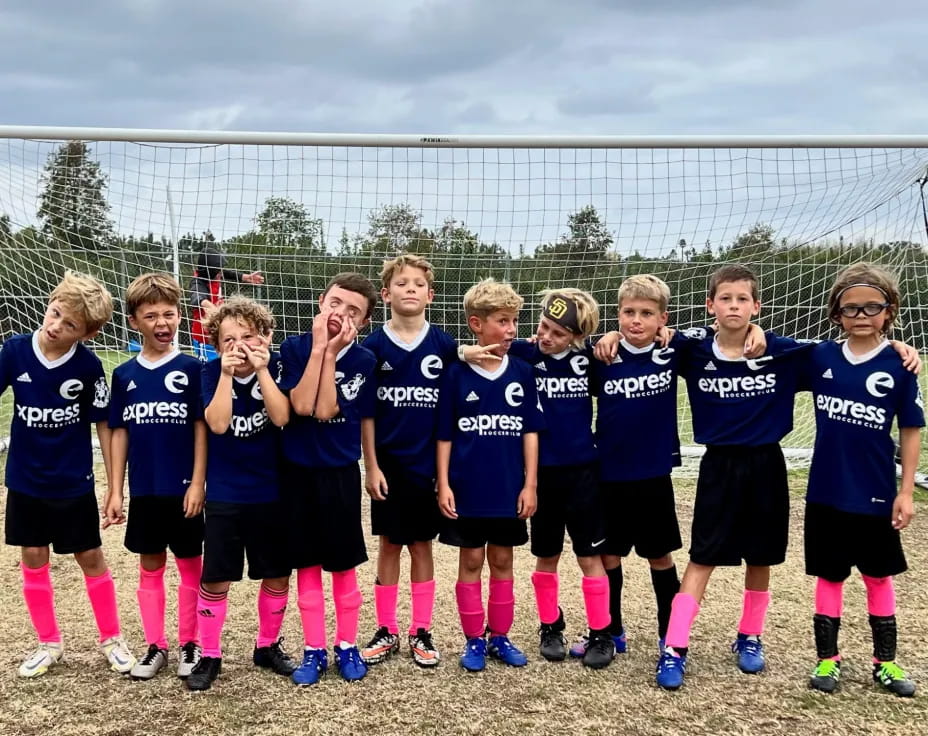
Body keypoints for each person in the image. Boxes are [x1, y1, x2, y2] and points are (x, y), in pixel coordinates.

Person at [589, 276, 766, 665]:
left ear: (662, 318)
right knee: (610, 557)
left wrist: (754, 326)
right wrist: (605, 336)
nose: (636, 320)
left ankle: (668, 632)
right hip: (609, 472)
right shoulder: (599, 355)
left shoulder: (675, 349)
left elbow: (721, 329)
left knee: (660, 556)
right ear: (617, 314)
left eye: (647, 314)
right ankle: (612, 630)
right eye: (629, 312)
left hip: (654, 473)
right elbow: (562, 347)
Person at [655, 264, 812, 690]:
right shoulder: (692, 351)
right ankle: (674, 647)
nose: (734, 305)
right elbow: (643, 334)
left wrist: (894, 344)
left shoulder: (779, 351)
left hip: (766, 465)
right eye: (725, 298)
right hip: (718, 466)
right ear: (710, 305)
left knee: (760, 557)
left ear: (756, 306)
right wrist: (612, 336)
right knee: (702, 556)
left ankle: (749, 635)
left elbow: (840, 352)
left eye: (743, 299)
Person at [1, 271, 135, 677]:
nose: (56, 325)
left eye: (70, 324)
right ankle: (48, 642)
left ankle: (112, 639)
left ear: (87, 333)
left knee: (90, 555)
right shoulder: (14, 351)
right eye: (55, 313)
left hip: (72, 481)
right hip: (25, 478)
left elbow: (105, 425)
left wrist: (115, 489)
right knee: (33, 554)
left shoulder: (89, 367)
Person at [804, 263, 922, 697]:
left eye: (872, 307)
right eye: (850, 308)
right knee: (830, 577)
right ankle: (827, 660)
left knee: (878, 577)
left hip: (876, 492)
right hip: (826, 492)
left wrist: (906, 492)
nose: (860, 315)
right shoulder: (820, 357)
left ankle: (885, 664)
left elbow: (910, 429)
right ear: (836, 313)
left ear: (888, 311)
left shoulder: (901, 363)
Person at [186, 296, 296, 691]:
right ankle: (210, 654)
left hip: (270, 490)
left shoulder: (278, 366)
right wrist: (227, 376)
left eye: (248, 336)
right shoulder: (210, 371)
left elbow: (281, 417)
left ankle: (267, 646)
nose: (239, 347)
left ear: (265, 337)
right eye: (228, 340)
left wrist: (263, 371)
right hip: (226, 493)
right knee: (216, 577)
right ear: (216, 346)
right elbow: (216, 424)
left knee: (277, 572)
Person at [436, 278, 545, 672]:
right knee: (470, 562)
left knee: (502, 560)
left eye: (514, 321)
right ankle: (474, 641)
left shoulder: (521, 371)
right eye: (503, 321)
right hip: (467, 487)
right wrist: (444, 482)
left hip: (507, 487)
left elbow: (531, 431)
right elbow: (445, 434)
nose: (511, 329)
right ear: (476, 324)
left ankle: (500, 636)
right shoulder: (455, 374)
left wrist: (530, 484)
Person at [104, 273, 206, 682]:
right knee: (150, 565)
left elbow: (201, 427)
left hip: (184, 490)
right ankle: (155, 645)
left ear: (179, 316)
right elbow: (120, 432)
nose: (162, 323)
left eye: (169, 313)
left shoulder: (193, 369)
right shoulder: (124, 375)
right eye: (151, 315)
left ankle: (190, 642)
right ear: (134, 321)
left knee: (190, 565)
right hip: (145, 489)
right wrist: (115, 490)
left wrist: (198, 482)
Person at [506, 289, 615, 669]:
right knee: (546, 555)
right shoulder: (525, 354)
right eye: (543, 327)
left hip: (584, 473)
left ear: (577, 337)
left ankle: (602, 632)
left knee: (589, 556)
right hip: (542, 475)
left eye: (558, 333)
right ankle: (550, 625)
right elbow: (480, 348)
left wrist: (613, 337)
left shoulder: (590, 360)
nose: (547, 337)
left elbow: (621, 346)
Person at [278, 272, 379, 685]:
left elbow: (323, 410)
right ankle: (314, 649)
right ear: (322, 302)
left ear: (364, 322)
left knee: (342, 565)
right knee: (307, 563)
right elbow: (299, 405)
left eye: (353, 311)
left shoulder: (363, 361)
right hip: (296, 471)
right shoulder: (293, 347)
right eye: (336, 303)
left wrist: (333, 354)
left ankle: (347, 645)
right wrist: (320, 348)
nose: (341, 313)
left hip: (338, 471)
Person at [358, 255, 457, 669]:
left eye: (418, 283)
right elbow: (366, 414)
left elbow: (451, 412)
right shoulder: (372, 348)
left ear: (430, 295)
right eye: (402, 283)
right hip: (389, 466)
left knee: (421, 544)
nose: (410, 289)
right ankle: (386, 629)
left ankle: (421, 630)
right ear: (386, 294)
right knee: (389, 543)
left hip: (429, 465)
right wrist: (372, 466)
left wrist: (445, 473)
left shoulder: (444, 344)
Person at [188, 245, 264, 362]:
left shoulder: (215, 275)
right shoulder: (198, 282)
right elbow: (197, 297)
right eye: (218, 270)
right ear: (210, 271)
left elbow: (228, 273)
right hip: (205, 339)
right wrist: (215, 311)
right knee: (210, 369)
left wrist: (246, 277)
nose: (220, 273)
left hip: (219, 336)